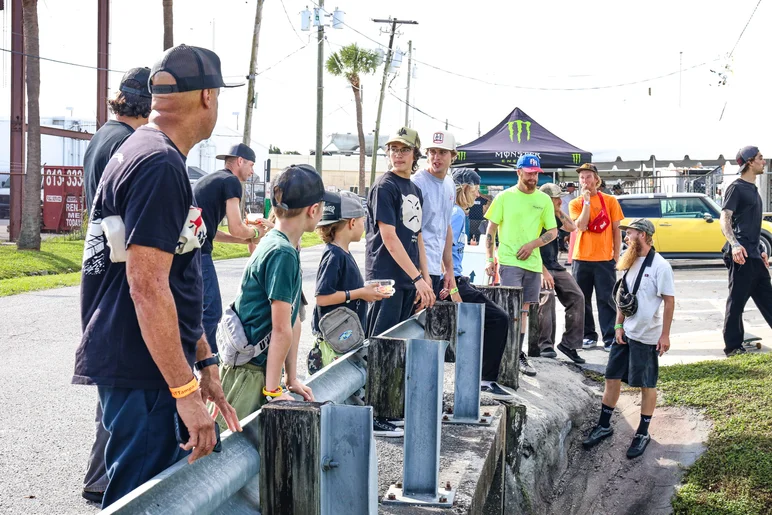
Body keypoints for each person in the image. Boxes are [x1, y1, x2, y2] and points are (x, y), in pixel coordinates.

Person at [74, 45, 242, 508]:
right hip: (142, 369)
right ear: (208, 96)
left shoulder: (148, 150)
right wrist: (184, 391)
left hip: (147, 365)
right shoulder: (159, 164)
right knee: (143, 501)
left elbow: (177, 274)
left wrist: (205, 361)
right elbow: (147, 286)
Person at [78, 66, 152, 505]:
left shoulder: (101, 137)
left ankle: (100, 475)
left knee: (113, 384)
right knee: (124, 382)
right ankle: (108, 479)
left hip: (97, 265)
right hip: (118, 268)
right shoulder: (129, 143)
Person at [214, 164, 328, 429]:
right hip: (249, 376)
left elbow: (293, 320)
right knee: (232, 456)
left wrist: (290, 378)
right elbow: (280, 330)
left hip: (260, 373)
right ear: (313, 210)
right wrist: (274, 390)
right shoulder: (283, 253)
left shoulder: (279, 243)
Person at [582, 219, 674, 459]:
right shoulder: (628, 260)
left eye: (629, 233)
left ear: (642, 235)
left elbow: (669, 301)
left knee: (647, 383)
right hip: (626, 333)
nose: (625, 237)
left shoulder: (661, 267)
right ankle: (604, 425)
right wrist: (619, 325)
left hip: (647, 336)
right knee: (611, 378)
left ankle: (643, 432)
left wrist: (665, 335)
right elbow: (623, 294)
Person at [484, 154, 557, 377]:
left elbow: (553, 232)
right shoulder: (504, 197)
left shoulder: (543, 200)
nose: (533, 177)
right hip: (508, 259)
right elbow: (490, 230)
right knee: (510, 309)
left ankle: (518, 354)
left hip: (533, 263)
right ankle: (505, 353)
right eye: (529, 172)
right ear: (519, 172)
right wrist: (490, 259)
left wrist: (533, 244)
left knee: (524, 310)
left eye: (536, 173)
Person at [193, 143, 269, 352]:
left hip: (185, 251)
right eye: (251, 165)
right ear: (240, 161)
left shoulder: (211, 180)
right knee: (211, 311)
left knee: (194, 312)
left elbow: (211, 232)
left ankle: (193, 364)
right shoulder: (231, 181)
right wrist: (256, 233)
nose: (252, 171)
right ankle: (211, 365)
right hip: (198, 253)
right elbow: (236, 227)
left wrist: (245, 240)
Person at [365, 126, 436, 338]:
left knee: (400, 346)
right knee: (380, 346)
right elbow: (389, 237)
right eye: (393, 149)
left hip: (409, 278)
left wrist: (425, 275)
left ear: (415, 154)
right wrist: (417, 279)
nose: (398, 154)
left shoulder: (415, 190)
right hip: (385, 278)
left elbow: (418, 235)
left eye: (404, 149)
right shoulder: (384, 186)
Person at [449, 168, 513, 398]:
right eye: (476, 190)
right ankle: (486, 379)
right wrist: (453, 287)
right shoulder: (455, 214)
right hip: (450, 281)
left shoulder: (455, 212)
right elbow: (441, 251)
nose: (478, 196)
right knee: (499, 319)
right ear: (465, 188)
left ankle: (480, 374)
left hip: (454, 278)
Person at [720, 146, 772, 357]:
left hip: (753, 254)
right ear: (750, 161)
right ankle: (732, 346)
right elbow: (725, 218)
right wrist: (734, 245)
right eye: (760, 158)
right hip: (740, 255)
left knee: (768, 298)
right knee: (737, 300)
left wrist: (760, 248)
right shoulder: (737, 187)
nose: (764, 162)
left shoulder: (753, 189)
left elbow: (750, 224)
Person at [569, 163, 625, 352]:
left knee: (606, 299)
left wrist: (616, 256)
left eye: (588, 177)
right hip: (581, 258)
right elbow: (581, 226)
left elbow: (617, 230)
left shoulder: (610, 201)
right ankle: (588, 335)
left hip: (604, 259)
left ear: (596, 179)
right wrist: (585, 202)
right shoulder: (575, 203)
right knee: (582, 299)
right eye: (582, 178)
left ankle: (609, 337)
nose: (585, 181)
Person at [84, 67, 151, 214]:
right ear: (150, 105)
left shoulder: (100, 135)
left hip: (98, 233)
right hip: (118, 235)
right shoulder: (129, 141)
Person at [537, 183, 586, 364]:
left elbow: (572, 227)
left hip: (555, 265)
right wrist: (543, 272)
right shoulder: (536, 216)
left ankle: (569, 344)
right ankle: (545, 345)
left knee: (577, 296)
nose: (561, 200)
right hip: (538, 266)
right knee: (547, 297)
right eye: (557, 198)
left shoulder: (554, 214)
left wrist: (558, 210)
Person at [411, 130, 462, 301]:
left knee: (429, 324)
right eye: (432, 151)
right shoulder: (417, 183)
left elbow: (446, 228)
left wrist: (449, 270)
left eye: (442, 152)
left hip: (435, 269)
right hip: (415, 269)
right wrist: (419, 274)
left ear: (453, 155)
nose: (436, 157)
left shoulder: (449, 184)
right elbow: (411, 232)